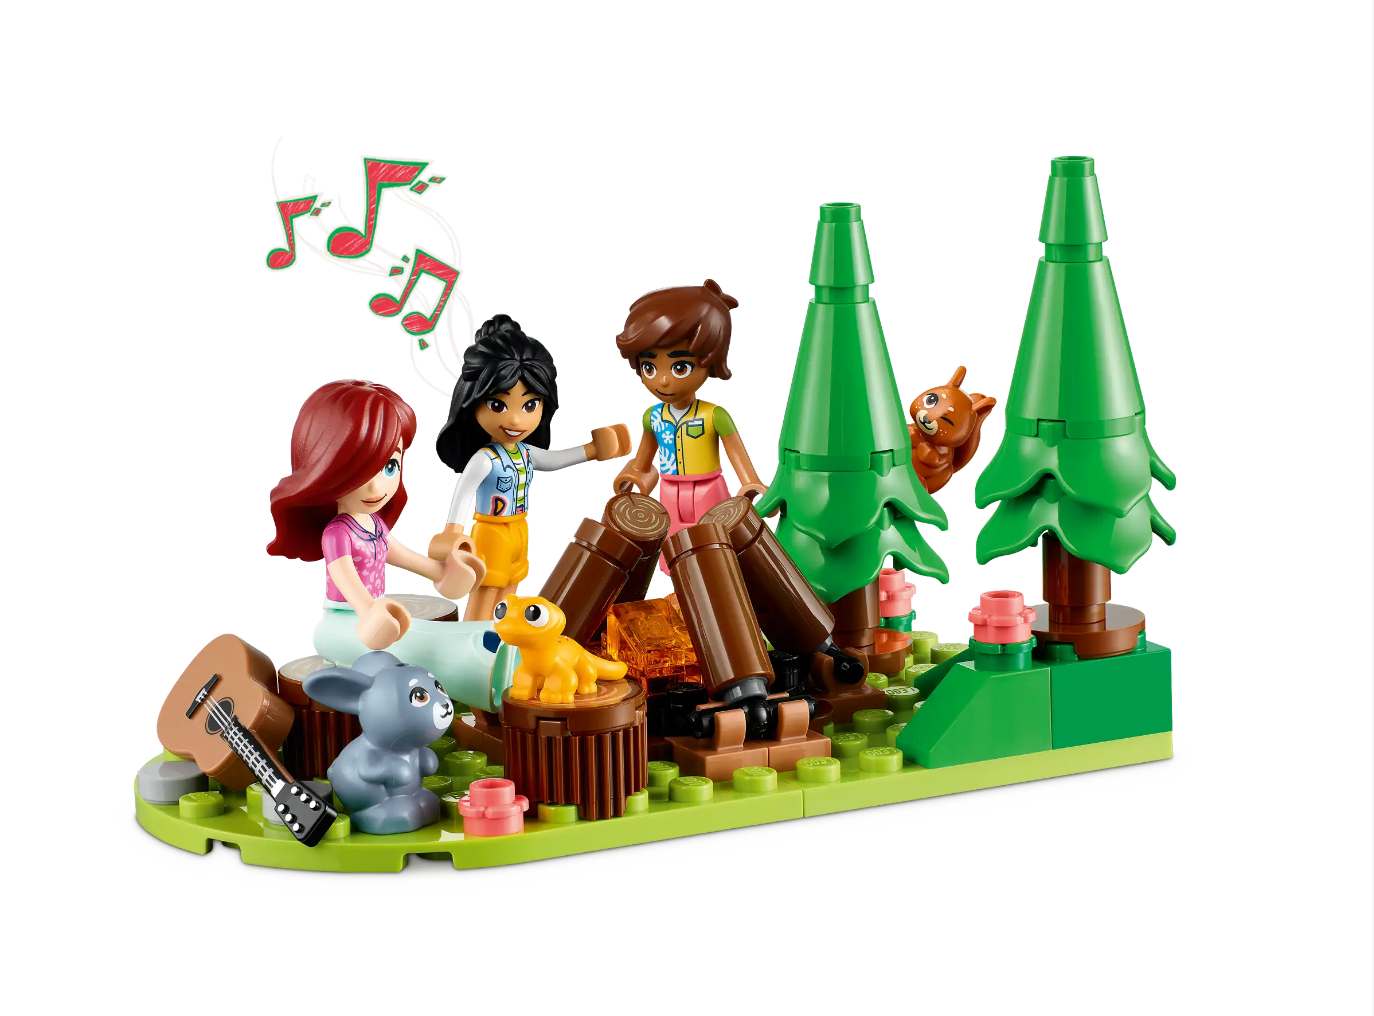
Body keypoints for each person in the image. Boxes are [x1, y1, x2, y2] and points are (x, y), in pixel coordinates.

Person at [268, 380, 514, 712]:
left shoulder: (375, 525)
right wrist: (368, 611)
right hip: (342, 625)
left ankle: (499, 650)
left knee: (431, 633)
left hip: (379, 618)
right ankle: (477, 676)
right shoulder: (337, 534)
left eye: (389, 466)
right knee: (417, 645)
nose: (376, 486)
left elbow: (404, 556)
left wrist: (442, 572)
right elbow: (344, 578)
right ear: (324, 469)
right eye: (359, 470)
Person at [433, 314, 630, 620]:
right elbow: (464, 492)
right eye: (498, 405)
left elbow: (553, 460)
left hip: (519, 529)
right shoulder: (485, 458)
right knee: (487, 589)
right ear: (472, 403)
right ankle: (472, 636)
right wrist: (452, 532)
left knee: (511, 589)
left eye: (529, 405)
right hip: (491, 531)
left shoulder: (525, 452)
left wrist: (591, 450)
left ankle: (502, 639)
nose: (515, 419)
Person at [612, 280, 768, 570]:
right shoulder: (652, 417)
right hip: (669, 491)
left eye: (680, 367)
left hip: (709, 490)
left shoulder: (714, 415)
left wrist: (750, 483)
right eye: (649, 367)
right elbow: (643, 461)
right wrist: (632, 478)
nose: (663, 380)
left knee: (715, 552)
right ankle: (680, 594)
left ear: (710, 360)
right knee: (673, 554)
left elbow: (738, 457)